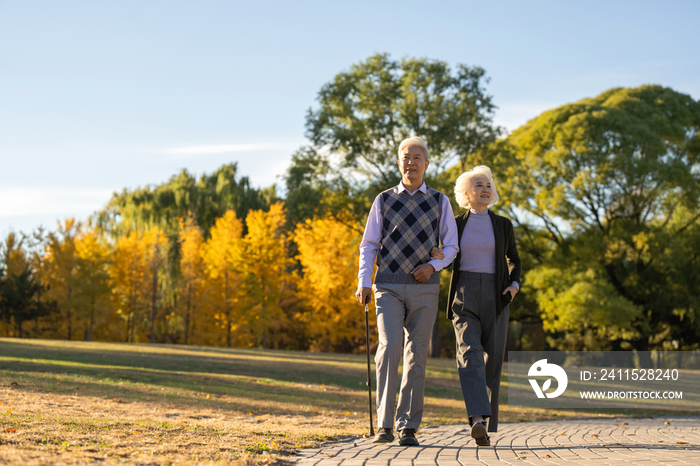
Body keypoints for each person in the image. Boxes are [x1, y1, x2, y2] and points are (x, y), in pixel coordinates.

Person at [355, 136, 459, 446]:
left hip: (424, 287)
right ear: (399, 162)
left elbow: (452, 246)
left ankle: (408, 427)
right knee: (389, 348)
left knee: (417, 355)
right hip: (387, 284)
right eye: (405, 157)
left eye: (417, 157)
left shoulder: (440, 201)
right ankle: (384, 426)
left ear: (427, 164)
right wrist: (363, 280)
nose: (411, 161)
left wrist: (433, 266)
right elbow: (369, 244)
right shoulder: (384, 199)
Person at [442, 165, 521, 447]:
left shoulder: (503, 225)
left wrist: (514, 286)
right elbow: (449, 257)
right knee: (469, 355)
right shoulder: (455, 223)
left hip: (497, 296)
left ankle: (486, 423)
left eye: (488, 184)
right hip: (464, 294)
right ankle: (477, 418)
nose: (485, 188)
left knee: (493, 362)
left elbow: (514, 259)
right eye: (478, 185)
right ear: (466, 193)